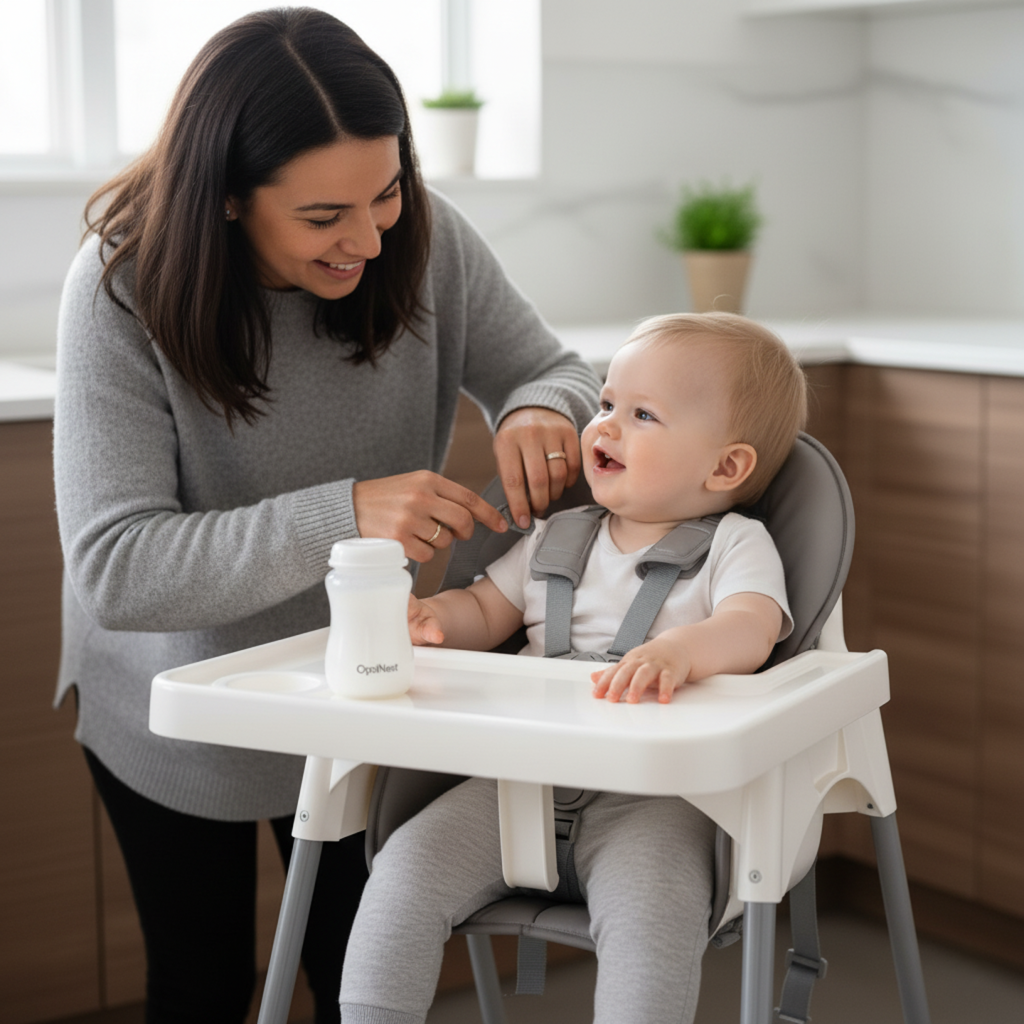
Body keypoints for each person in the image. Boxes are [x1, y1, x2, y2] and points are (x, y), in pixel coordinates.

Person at [52, 9, 599, 1024]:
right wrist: (342, 515)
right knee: (202, 984)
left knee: (364, 977)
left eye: (384, 192)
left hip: (364, 693)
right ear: (223, 198)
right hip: (183, 703)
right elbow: (118, 570)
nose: (368, 236)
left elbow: (553, 365)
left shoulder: (421, 241)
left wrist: (537, 406)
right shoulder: (118, 291)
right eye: (321, 218)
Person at [338, 312, 808, 1024]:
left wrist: (683, 652)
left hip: (655, 801)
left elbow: (752, 627)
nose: (605, 426)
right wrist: (434, 621)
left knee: (655, 916)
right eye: (607, 403)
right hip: (516, 784)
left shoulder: (736, 546)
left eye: (642, 414)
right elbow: (485, 609)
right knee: (403, 873)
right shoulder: (557, 535)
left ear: (726, 467)